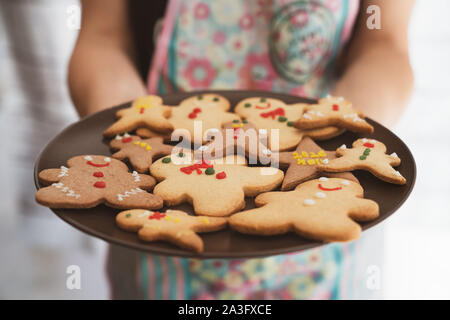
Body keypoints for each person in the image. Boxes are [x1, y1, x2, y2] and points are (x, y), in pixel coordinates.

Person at [68, 0, 414, 299]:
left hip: (326, 230)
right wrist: (133, 136)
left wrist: (340, 138)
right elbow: (102, 37)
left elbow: (383, 42)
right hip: (160, 240)